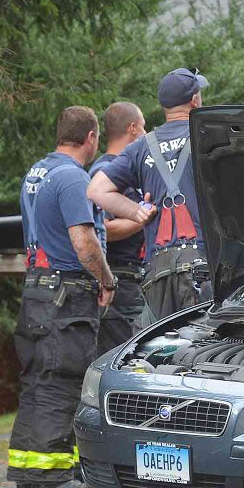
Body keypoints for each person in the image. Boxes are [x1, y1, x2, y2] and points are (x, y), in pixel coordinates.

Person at [12, 106, 116, 488]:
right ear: (91, 138)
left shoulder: (37, 172)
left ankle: (28, 470)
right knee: (62, 378)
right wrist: (105, 279)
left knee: (37, 378)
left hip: (37, 288)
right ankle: (52, 474)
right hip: (66, 292)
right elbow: (83, 240)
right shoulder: (74, 178)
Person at [88, 68, 209, 321]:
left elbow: (96, 189)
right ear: (195, 100)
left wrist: (137, 212)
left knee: (160, 353)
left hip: (158, 272)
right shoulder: (208, 135)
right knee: (204, 352)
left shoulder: (142, 146)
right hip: (203, 269)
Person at [91, 101, 148, 354]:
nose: (147, 134)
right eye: (144, 127)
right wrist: (143, 217)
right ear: (133, 129)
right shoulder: (105, 172)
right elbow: (102, 229)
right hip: (120, 279)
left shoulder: (123, 170)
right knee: (126, 353)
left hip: (134, 278)